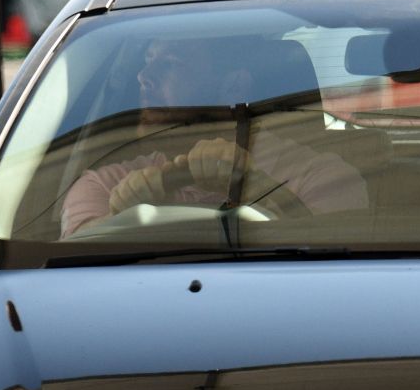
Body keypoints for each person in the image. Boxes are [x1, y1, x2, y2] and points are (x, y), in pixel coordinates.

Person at [60, 38, 369, 239]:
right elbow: (71, 274)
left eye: (170, 63)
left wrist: (256, 185)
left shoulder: (324, 178)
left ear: (234, 87)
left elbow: (330, 281)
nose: (143, 76)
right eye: (147, 59)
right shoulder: (101, 186)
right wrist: (120, 219)